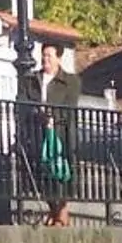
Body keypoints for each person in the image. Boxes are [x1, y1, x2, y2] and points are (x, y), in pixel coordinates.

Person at [34, 42, 80, 226]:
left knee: (60, 170)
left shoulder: (70, 81)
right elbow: (24, 101)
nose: (45, 59)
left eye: (49, 56)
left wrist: (53, 117)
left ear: (58, 58)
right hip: (38, 130)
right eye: (43, 55)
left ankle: (61, 213)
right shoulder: (34, 79)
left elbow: (70, 107)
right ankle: (53, 211)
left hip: (60, 132)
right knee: (43, 171)